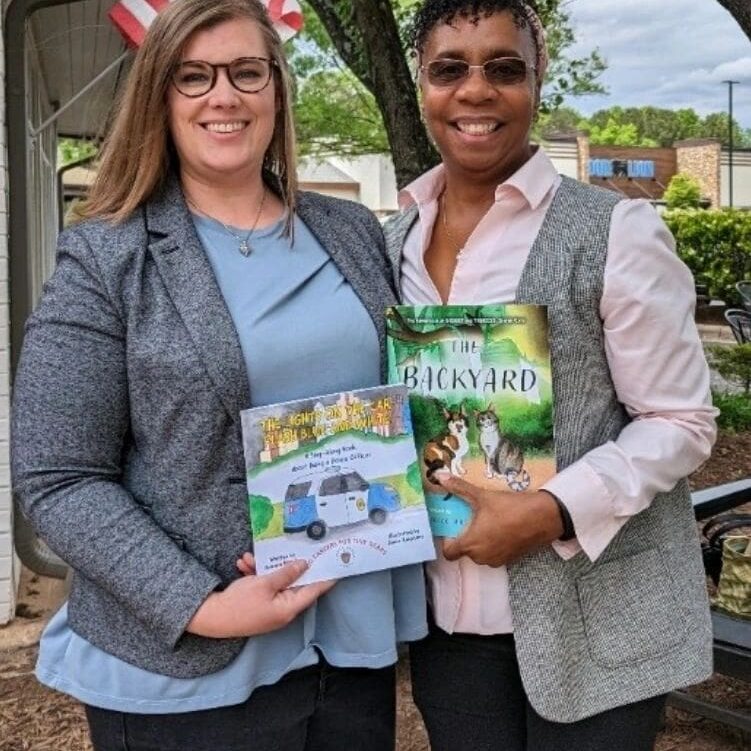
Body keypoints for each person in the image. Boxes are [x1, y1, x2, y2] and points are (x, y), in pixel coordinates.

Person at [10, 1, 426, 749]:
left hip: (349, 645)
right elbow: (58, 477)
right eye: (192, 76)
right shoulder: (107, 256)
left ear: (276, 90)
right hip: (187, 669)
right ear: (158, 96)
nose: (223, 95)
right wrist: (202, 602)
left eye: (245, 72)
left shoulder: (350, 231)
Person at [383, 1, 717, 749]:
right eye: (448, 70)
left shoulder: (615, 230)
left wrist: (549, 510)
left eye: (504, 69)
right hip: (449, 622)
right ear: (420, 85)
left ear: (537, 82)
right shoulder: (390, 238)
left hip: (593, 615)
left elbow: (681, 420)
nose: (475, 91)